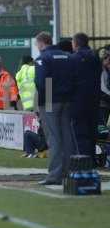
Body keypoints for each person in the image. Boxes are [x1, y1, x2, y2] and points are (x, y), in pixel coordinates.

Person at [34, 32, 75, 185]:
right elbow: (73, 77)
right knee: (66, 136)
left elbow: (41, 82)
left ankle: (55, 175)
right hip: (67, 99)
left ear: (41, 43)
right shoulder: (67, 56)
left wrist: (45, 99)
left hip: (51, 100)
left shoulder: (43, 58)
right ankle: (69, 172)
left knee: (54, 137)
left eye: (37, 45)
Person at [70, 33, 101, 161]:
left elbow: (70, 79)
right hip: (94, 99)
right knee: (92, 132)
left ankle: (84, 163)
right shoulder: (95, 57)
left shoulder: (74, 58)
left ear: (76, 43)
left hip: (78, 101)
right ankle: (92, 161)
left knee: (80, 133)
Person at [99, 47, 110, 126]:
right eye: (108, 60)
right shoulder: (100, 70)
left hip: (105, 99)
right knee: (103, 122)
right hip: (103, 101)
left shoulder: (105, 69)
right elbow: (102, 87)